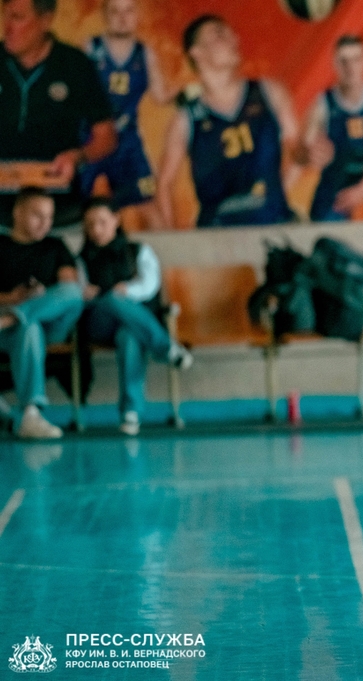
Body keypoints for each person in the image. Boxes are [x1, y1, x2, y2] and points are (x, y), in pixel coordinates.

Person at [156, 14, 299, 228]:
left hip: (271, 224)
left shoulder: (269, 92)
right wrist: (173, 241)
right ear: (197, 52)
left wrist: (277, 195)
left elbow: (297, 150)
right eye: (219, 34)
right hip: (217, 230)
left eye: (232, 35)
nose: (233, 40)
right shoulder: (186, 117)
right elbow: (164, 184)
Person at [78, 197, 192, 436]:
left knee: (128, 336)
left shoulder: (138, 250)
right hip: (99, 322)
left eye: (102, 222)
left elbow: (149, 285)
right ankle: (166, 347)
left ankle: (130, 413)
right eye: (90, 224)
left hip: (133, 322)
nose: (96, 230)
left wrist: (126, 291)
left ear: (116, 220)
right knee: (111, 299)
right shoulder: (81, 258)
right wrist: (107, 294)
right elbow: (81, 293)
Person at [0, 0, 116, 227]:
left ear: (45, 20)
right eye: (5, 16)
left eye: (18, 17)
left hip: (60, 210)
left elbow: (106, 137)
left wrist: (78, 157)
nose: (8, 26)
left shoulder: (75, 65)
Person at [81, 0, 174, 229]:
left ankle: (170, 253)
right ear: (105, 15)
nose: (122, 18)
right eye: (115, 11)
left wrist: (186, 90)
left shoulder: (145, 53)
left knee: (148, 204)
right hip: (90, 139)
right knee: (78, 206)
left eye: (128, 11)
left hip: (127, 142)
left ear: (136, 15)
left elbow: (160, 96)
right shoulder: (90, 47)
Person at [0, 187, 83, 439]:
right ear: (18, 213)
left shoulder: (55, 246)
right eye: (37, 215)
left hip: (51, 324)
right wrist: (11, 298)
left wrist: (41, 295)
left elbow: (69, 288)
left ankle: (13, 317)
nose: (45, 223)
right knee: (29, 327)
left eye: (49, 217)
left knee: (72, 292)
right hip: (12, 334)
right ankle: (31, 414)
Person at [302, 34, 363, 221]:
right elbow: (305, 150)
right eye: (344, 61)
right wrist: (312, 153)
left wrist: (362, 190)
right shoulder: (322, 104)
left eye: (356, 59)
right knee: (321, 220)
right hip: (336, 176)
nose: (351, 68)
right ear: (334, 64)